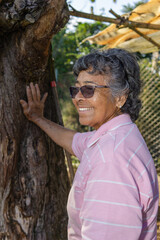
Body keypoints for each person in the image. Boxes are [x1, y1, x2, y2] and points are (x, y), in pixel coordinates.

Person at [20, 48, 159, 240]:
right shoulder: (119, 135)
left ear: (120, 97)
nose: (77, 97)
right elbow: (73, 140)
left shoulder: (110, 159)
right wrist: (38, 118)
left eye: (88, 89)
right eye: (75, 89)